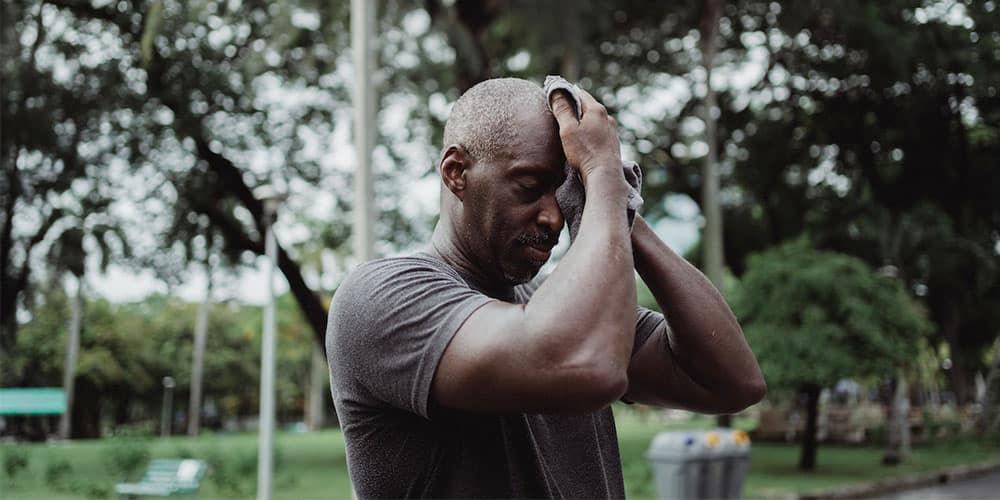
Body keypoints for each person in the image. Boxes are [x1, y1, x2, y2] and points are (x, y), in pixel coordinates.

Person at [326, 78, 765, 498]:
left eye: (564, 194)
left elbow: (733, 381)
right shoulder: (382, 296)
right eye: (530, 187)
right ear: (456, 172)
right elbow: (588, 367)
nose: (554, 218)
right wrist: (602, 175)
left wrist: (617, 206)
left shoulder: (563, 309)